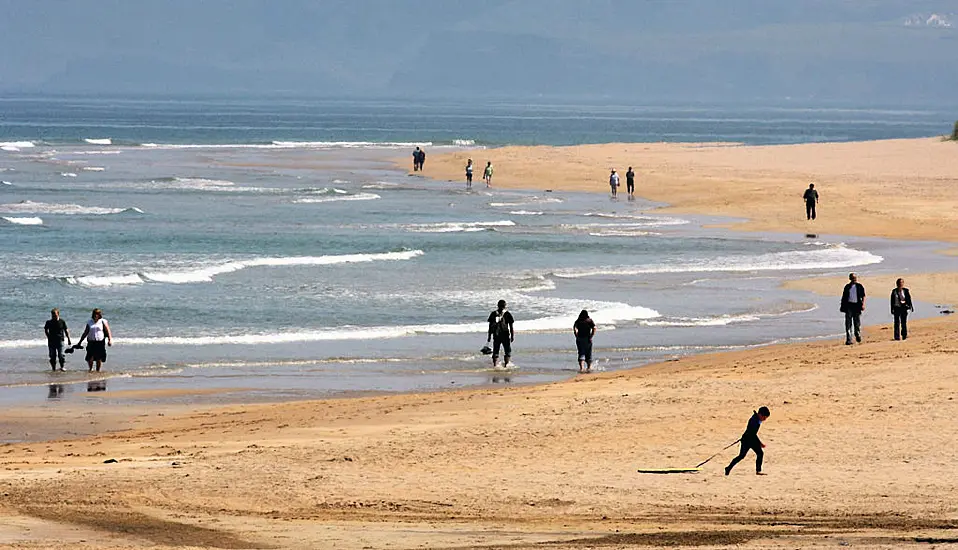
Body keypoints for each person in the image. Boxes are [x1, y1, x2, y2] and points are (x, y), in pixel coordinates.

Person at [725, 406, 770, 476]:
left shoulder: (757, 419)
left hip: (751, 439)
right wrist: (760, 443)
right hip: (747, 440)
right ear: (760, 414)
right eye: (764, 417)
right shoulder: (753, 421)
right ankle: (728, 468)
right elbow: (752, 434)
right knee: (741, 456)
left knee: (760, 453)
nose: (764, 419)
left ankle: (758, 470)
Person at [77, 308, 112, 372]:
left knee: (99, 357)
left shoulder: (103, 321)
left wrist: (110, 340)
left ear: (99, 315)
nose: (96, 315)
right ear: (93, 314)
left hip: (100, 342)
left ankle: (98, 370)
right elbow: (85, 332)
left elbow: (108, 331)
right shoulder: (89, 322)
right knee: (89, 357)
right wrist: (80, 342)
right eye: (95, 314)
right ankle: (90, 369)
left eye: (98, 314)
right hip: (91, 341)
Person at [486, 299, 514, 369]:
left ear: (497, 306)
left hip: (496, 335)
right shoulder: (507, 314)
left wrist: (489, 336)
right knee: (507, 351)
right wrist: (512, 335)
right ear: (505, 306)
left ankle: (495, 365)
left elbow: (490, 326)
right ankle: (506, 365)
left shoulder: (493, 314)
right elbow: (511, 326)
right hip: (505, 335)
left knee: (496, 351)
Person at [840, 273, 866, 345]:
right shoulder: (847, 287)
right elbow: (844, 297)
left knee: (857, 323)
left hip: (857, 307)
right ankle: (849, 339)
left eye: (855, 278)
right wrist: (842, 306)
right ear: (850, 279)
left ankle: (857, 335)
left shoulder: (859, 286)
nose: (854, 279)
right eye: (852, 278)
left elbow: (863, 296)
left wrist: (863, 304)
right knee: (848, 323)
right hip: (849, 306)